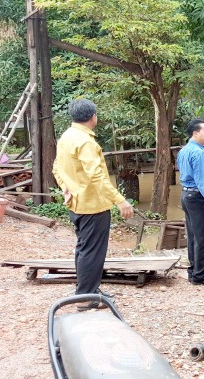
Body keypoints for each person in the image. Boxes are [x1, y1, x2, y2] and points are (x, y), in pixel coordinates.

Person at [52, 99, 134, 310]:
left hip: (77, 204)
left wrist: (66, 188)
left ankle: (88, 289)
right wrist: (120, 201)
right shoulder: (85, 142)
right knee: (92, 251)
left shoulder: (66, 137)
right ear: (93, 117)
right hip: (92, 206)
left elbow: (56, 169)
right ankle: (86, 297)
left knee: (84, 249)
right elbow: (97, 177)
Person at [177, 119, 204, 286]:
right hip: (198, 197)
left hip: (186, 195)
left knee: (193, 234)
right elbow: (202, 182)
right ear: (195, 133)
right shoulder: (199, 153)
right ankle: (201, 276)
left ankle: (194, 271)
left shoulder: (184, 151)